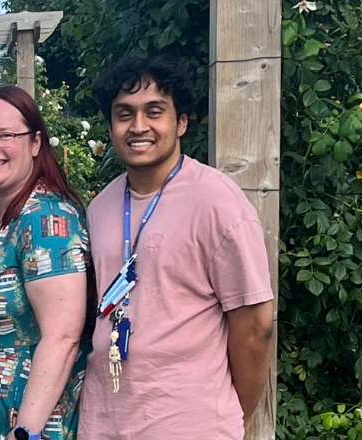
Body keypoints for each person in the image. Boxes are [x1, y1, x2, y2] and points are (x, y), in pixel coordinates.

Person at [77, 55, 274, 439]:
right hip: (105, 419)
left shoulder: (216, 201)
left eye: (154, 112)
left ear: (181, 121)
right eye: (124, 114)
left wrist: (232, 415)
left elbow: (256, 327)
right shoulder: (100, 206)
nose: (139, 127)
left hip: (188, 422)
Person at [0, 85, 93, 440]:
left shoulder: (46, 221)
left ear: (35, 143)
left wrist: (24, 431)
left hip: (34, 419)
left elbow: (62, 337)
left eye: (5, 135)